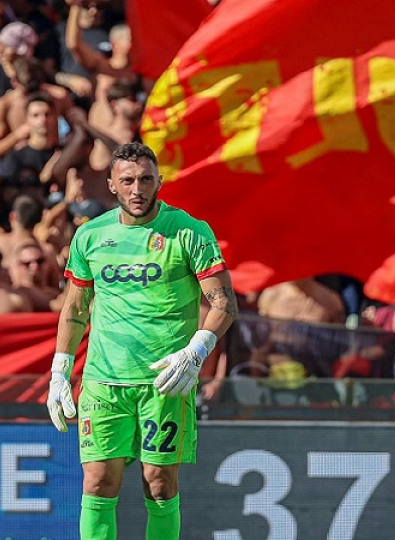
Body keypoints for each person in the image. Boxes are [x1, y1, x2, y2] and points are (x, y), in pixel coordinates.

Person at [45, 142, 238, 540]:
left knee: (159, 484)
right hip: (103, 381)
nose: (137, 189)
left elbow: (224, 304)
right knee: (98, 481)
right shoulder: (90, 236)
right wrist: (59, 372)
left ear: (159, 182)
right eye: (128, 180)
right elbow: (75, 308)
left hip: (165, 381)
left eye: (146, 180)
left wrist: (195, 353)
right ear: (111, 184)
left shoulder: (189, 232)